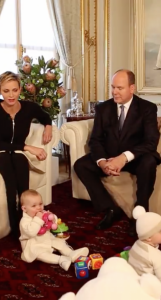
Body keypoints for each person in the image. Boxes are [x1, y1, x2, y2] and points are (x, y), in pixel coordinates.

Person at [74, 69, 160, 236]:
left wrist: (124, 158)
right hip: (109, 157)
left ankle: (140, 214)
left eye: (119, 88)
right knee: (81, 165)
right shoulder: (103, 108)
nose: (114, 92)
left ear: (132, 88)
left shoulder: (147, 108)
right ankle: (110, 208)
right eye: (113, 87)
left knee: (149, 162)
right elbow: (96, 140)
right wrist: (102, 162)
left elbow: (150, 142)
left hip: (135, 158)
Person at [0, 71, 52, 237]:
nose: (11, 95)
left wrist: (48, 126)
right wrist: (29, 147)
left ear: (20, 89)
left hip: (19, 152)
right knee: (6, 160)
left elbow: (46, 117)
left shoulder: (29, 108)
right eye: (6, 91)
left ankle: (27, 220)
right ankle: (14, 226)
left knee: (20, 160)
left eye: (14, 90)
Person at [19, 189, 89, 271]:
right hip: (33, 243)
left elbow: (53, 221)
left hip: (46, 237)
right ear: (24, 209)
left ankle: (71, 253)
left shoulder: (43, 213)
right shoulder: (24, 221)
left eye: (40, 204)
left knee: (60, 243)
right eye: (34, 206)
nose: (38, 208)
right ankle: (61, 260)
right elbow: (31, 232)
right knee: (40, 254)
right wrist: (38, 219)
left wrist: (52, 218)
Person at [128, 206, 161, 280]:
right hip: (147, 284)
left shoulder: (136, 244)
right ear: (149, 238)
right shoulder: (156, 255)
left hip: (132, 276)